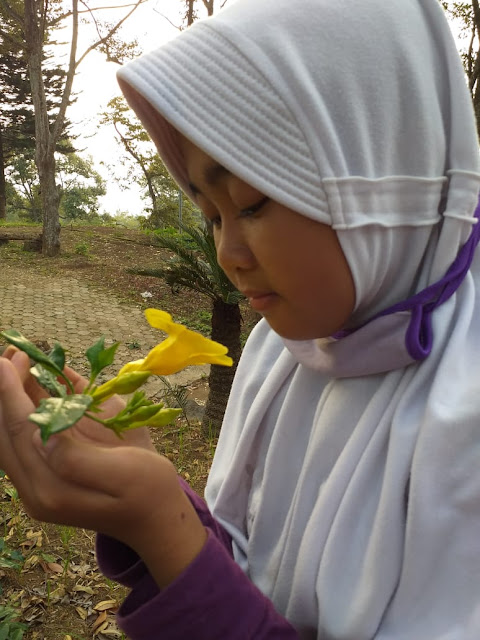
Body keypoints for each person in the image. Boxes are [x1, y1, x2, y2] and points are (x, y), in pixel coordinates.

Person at [1, 0, 480, 637]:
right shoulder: (285, 349)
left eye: (250, 203)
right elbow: (248, 575)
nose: (228, 255)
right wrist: (158, 514)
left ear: (380, 177)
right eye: (211, 214)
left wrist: (160, 527)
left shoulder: (463, 417)